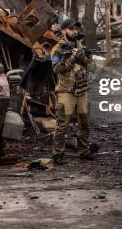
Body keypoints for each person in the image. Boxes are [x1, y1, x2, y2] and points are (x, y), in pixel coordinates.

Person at [51, 18, 96, 165]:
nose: (75, 31)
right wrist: (72, 59)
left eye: (76, 29)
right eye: (71, 29)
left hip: (82, 90)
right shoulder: (57, 49)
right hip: (66, 91)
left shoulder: (81, 47)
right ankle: (58, 154)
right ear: (64, 31)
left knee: (85, 123)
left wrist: (84, 59)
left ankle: (84, 151)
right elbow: (57, 69)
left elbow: (93, 67)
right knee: (62, 124)